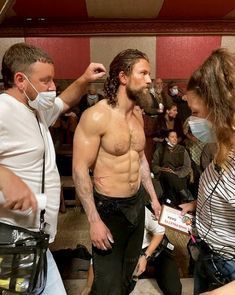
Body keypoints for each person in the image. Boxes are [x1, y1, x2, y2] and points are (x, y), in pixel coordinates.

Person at [0, 42, 106, 295]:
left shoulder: (34, 110)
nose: (52, 86)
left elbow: (62, 103)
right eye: (45, 80)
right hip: (12, 238)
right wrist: (5, 177)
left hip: (37, 238)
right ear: (20, 80)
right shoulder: (3, 109)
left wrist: (84, 79)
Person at [72, 48, 161, 295]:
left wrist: (152, 198)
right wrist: (93, 221)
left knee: (127, 277)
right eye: (143, 73)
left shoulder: (137, 115)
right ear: (123, 77)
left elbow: (140, 157)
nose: (149, 80)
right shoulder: (96, 116)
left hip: (136, 205)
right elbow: (79, 170)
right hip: (109, 209)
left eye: (149, 74)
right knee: (107, 284)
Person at [179, 48, 235, 295]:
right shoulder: (221, 146)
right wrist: (197, 203)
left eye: (195, 113)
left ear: (218, 109)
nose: (192, 122)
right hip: (209, 258)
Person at [81, 207, 182, 295]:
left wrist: (145, 256)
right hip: (128, 255)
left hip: (152, 250)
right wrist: (88, 287)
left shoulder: (139, 209)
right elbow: (96, 260)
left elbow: (159, 231)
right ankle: (145, 272)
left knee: (174, 291)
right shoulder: (103, 223)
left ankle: (150, 270)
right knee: (120, 289)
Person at [152, 129, 192, 206]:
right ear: (167, 139)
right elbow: (154, 166)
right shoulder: (160, 150)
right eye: (172, 137)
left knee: (172, 178)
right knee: (167, 175)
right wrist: (161, 169)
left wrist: (176, 173)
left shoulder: (182, 150)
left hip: (179, 175)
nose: (175, 139)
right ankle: (183, 194)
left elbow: (187, 166)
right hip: (164, 175)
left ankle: (172, 203)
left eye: (176, 137)